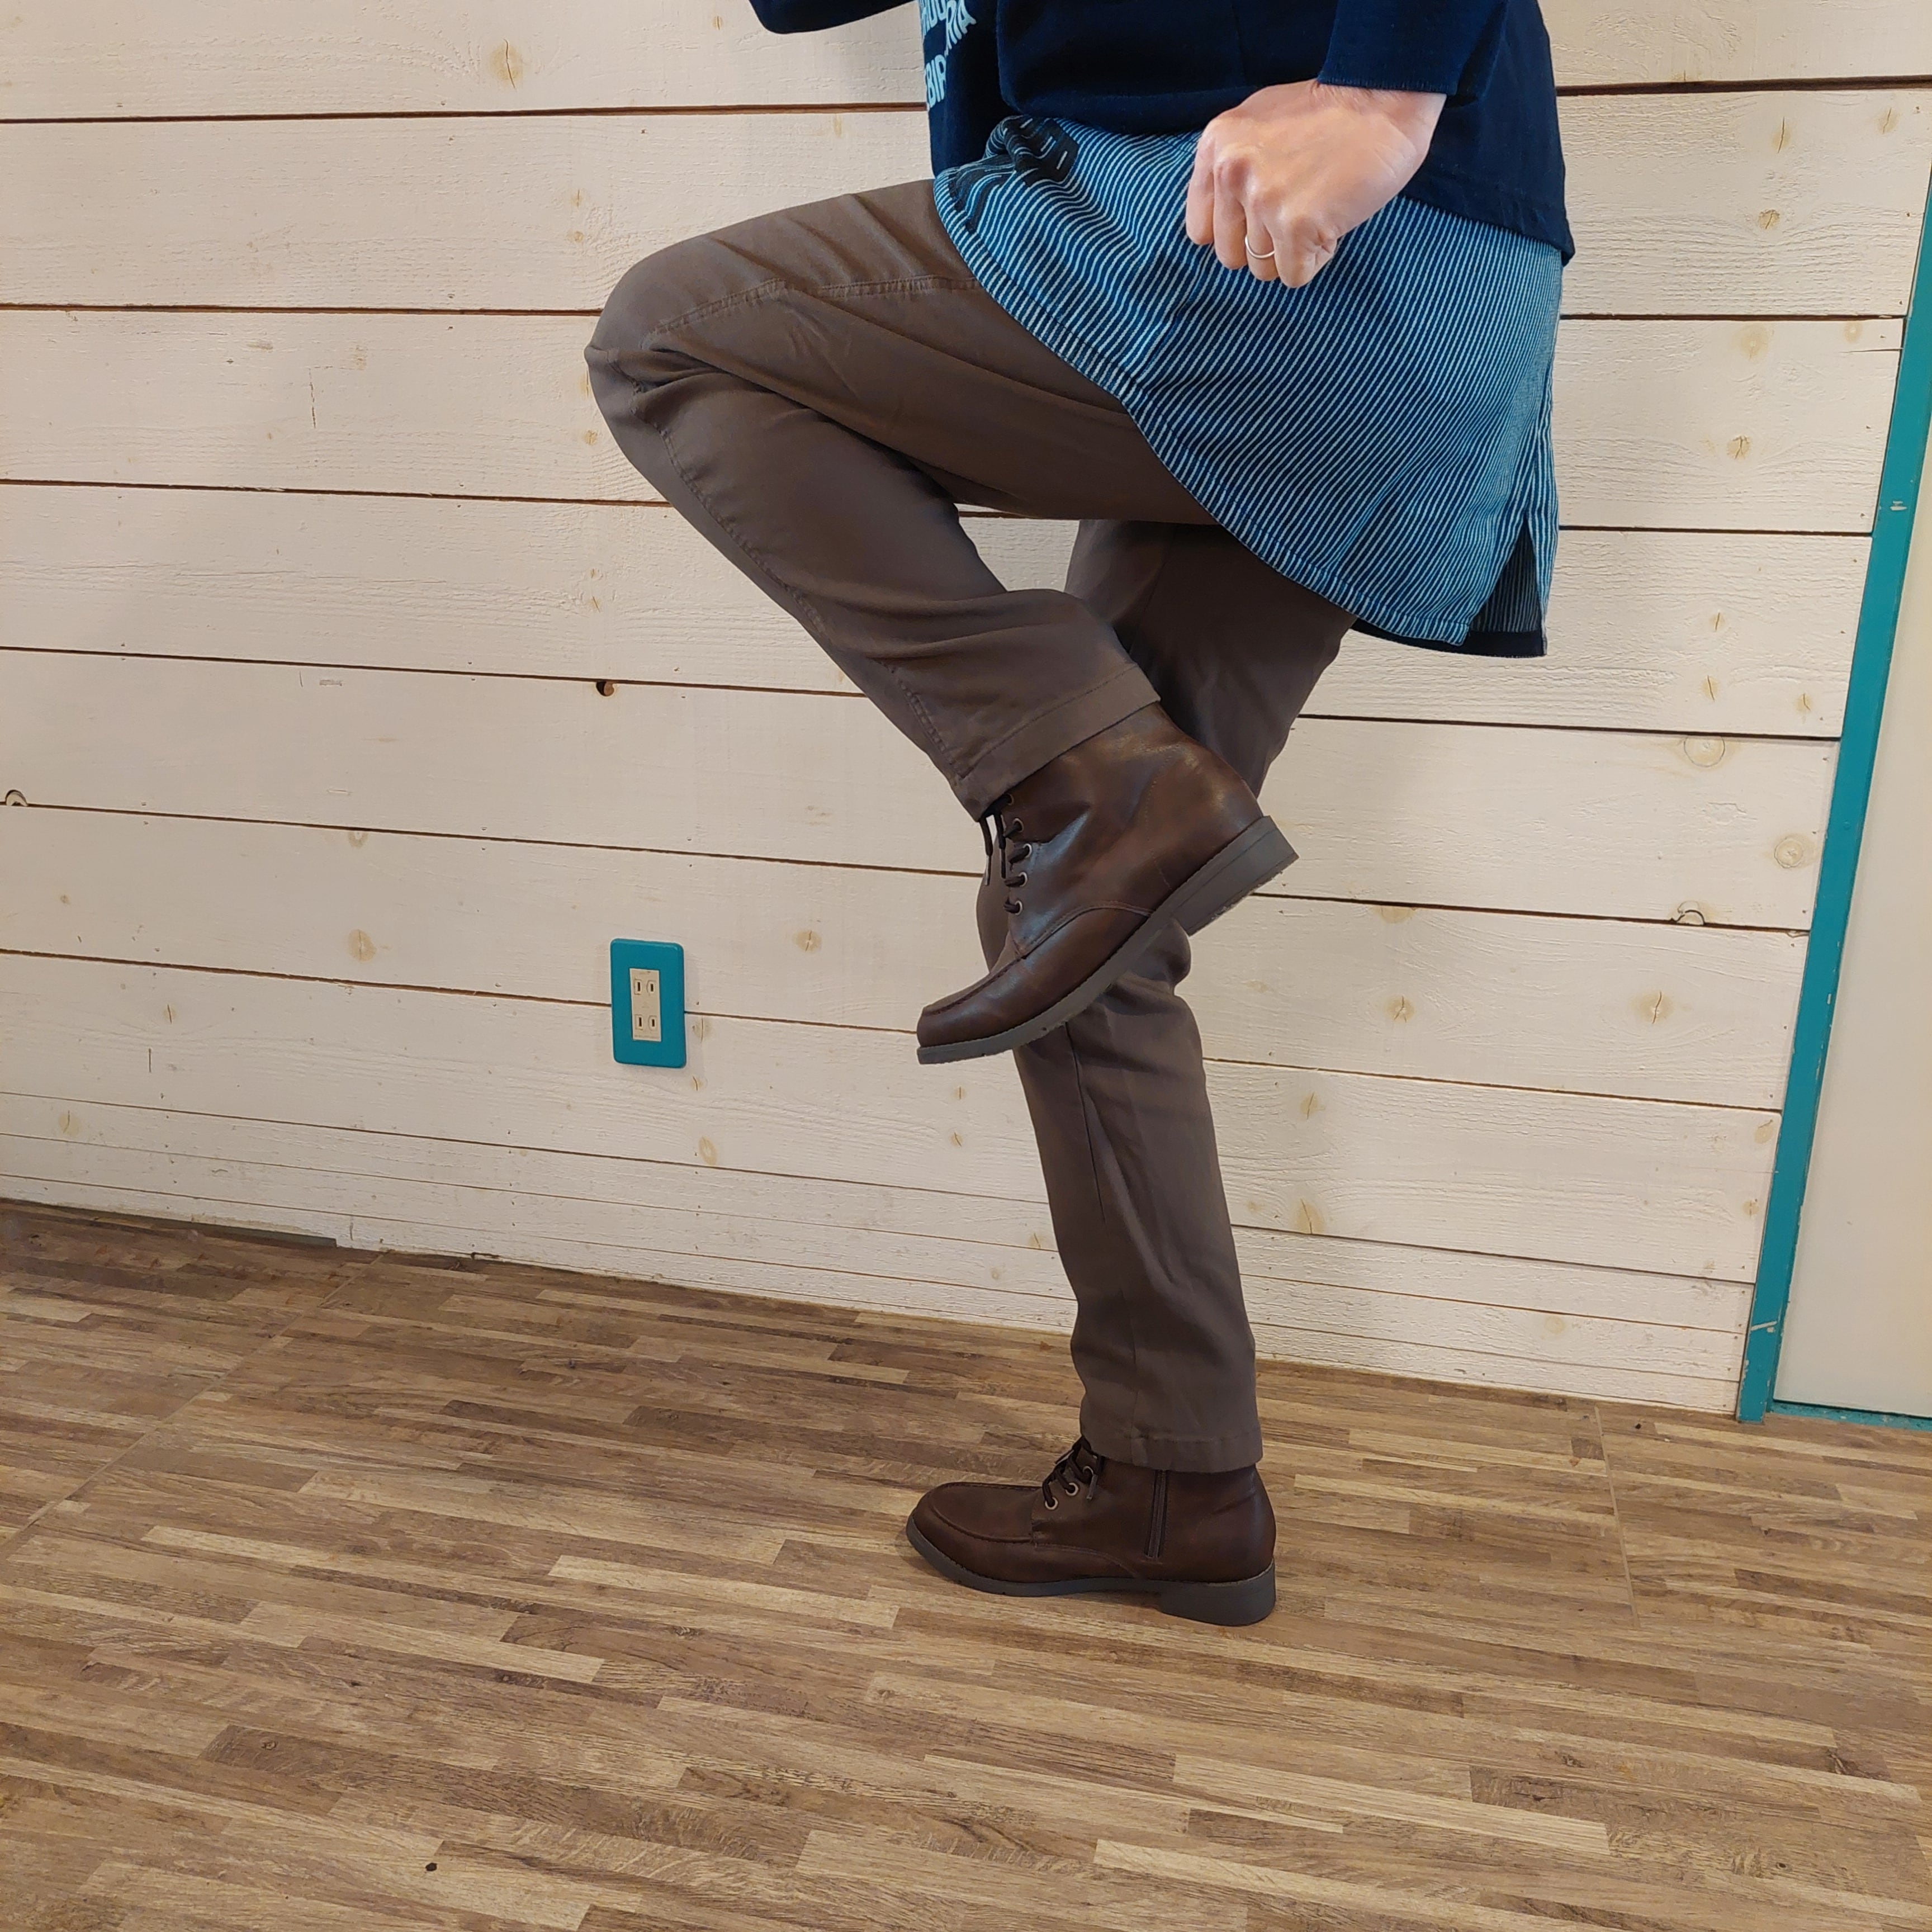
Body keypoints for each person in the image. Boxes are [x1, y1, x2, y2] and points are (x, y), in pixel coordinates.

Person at [586, 0, 1570, 1626]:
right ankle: (1178, 1481)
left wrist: (1387, 95)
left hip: (1289, 234)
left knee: (674, 335)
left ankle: (1090, 774)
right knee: (1090, 912)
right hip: (1339, 299)